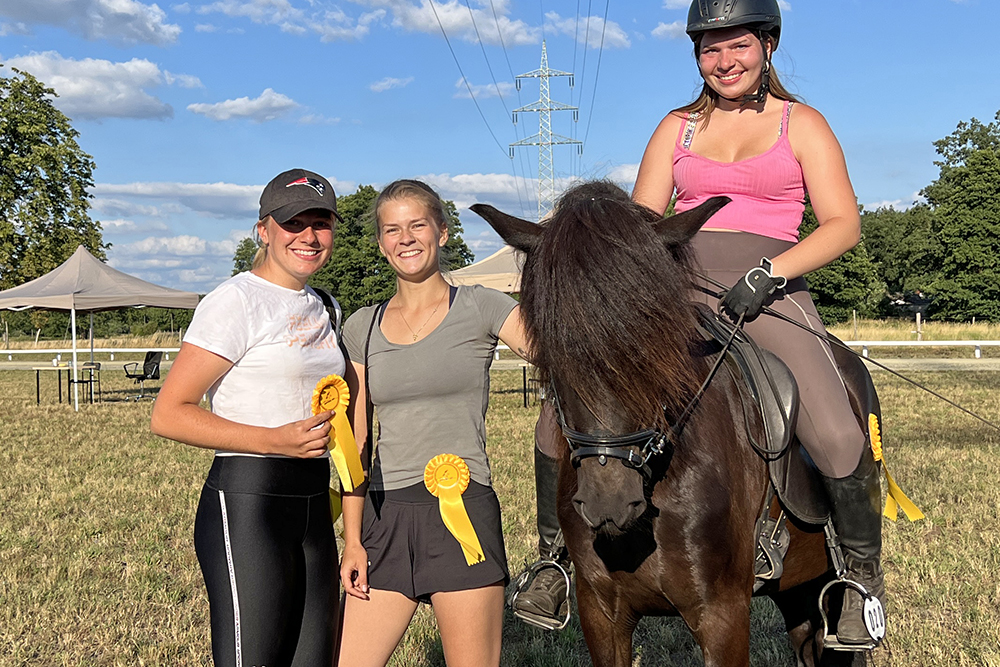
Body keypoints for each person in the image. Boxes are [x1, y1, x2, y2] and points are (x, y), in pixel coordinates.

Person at [627, 0, 885, 646]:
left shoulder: (803, 124)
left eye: (736, 45)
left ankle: (858, 578)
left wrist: (771, 271)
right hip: (677, 288)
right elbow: (640, 223)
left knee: (834, 430)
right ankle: (552, 557)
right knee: (568, 407)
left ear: (768, 44)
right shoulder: (675, 129)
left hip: (767, 289)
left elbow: (843, 224)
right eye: (709, 50)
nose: (724, 61)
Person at [151, 168, 347, 666]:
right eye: (293, 223)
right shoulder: (234, 301)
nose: (308, 236)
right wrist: (273, 440)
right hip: (248, 503)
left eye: (320, 223)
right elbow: (169, 414)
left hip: (313, 505)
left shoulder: (326, 306)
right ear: (263, 229)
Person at [336, 179, 529, 667]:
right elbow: (355, 442)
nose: (406, 238)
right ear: (380, 243)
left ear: (442, 233)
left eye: (417, 225)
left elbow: (563, 357)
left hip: (462, 513)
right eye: (392, 229)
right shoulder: (361, 325)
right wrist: (353, 541)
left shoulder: (484, 306)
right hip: (384, 516)